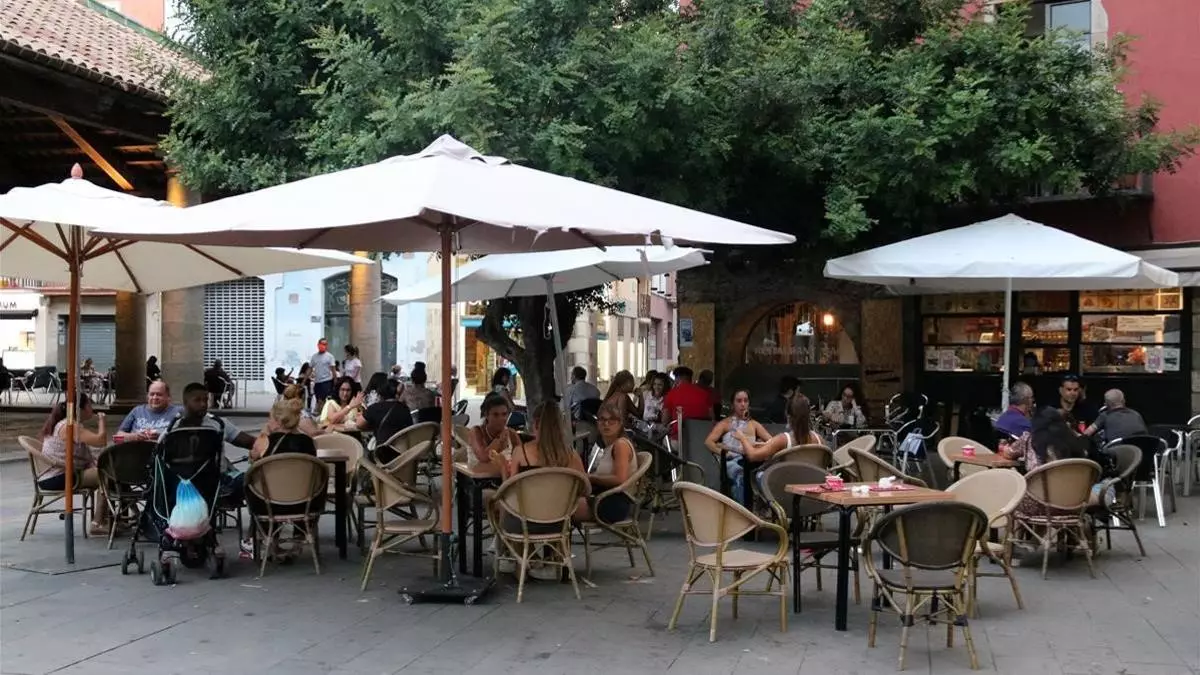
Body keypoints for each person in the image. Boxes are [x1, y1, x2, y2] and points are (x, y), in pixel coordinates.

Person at [488, 401, 587, 579]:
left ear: (534, 424)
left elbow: (509, 491)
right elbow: (585, 489)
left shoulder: (521, 452)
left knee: (506, 506)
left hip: (523, 524)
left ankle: (519, 560)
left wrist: (503, 467)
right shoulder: (571, 455)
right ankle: (551, 560)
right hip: (559, 523)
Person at [39, 393, 110, 535]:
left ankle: (113, 519)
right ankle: (97, 523)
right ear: (81, 408)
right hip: (57, 476)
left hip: (57, 473)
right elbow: (101, 441)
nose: (92, 408)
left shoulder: (68, 423)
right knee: (106, 474)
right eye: (90, 405)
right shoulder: (70, 425)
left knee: (110, 471)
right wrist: (102, 420)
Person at [704, 390, 772, 500]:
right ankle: (741, 508)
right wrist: (724, 453)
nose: (743, 404)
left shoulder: (754, 424)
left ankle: (765, 506)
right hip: (732, 461)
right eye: (739, 401)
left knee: (763, 476)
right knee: (740, 476)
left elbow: (771, 441)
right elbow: (709, 442)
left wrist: (761, 445)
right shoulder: (725, 423)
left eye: (745, 401)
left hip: (752, 461)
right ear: (733, 404)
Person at [579, 401, 636, 524]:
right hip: (604, 496)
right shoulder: (608, 447)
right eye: (602, 420)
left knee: (565, 507)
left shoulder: (620, 445)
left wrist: (591, 477)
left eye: (612, 420)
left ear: (620, 423)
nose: (606, 424)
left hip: (614, 502)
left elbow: (620, 479)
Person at [357, 379, 413, 464]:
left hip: (381, 455)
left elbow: (359, 424)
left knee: (364, 451)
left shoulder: (375, 408)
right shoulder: (404, 409)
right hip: (403, 454)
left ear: (380, 394)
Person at [251, 397, 318, 461]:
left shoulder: (267, 441)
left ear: (278, 422)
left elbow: (253, 459)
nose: (268, 422)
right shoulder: (308, 441)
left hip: (273, 469)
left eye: (270, 418)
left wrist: (263, 436)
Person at [469, 393, 523, 470]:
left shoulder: (511, 434)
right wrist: (499, 439)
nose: (500, 418)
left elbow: (522, 457)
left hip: (505, 476)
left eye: (504, 414)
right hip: (477, 476)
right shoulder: (476, 431)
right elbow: (484, 457)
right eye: (495, 415)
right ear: (486, 415)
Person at [117, 380, 183, 440]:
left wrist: (161, 436)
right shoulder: (137, 411)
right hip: (137, 447)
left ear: (168, 397)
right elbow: (117, 438)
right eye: (152, 394)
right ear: (147, 396)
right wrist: (135, 436)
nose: (155, 397)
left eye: (159, 395)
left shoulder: (179, 412)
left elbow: (185, 437)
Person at [309, 338, 339, 408]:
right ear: (318, 345)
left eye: (325, 344)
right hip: (317, 382)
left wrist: (335, 382)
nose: (323, 346)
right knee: (318, 400)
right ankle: (319, 413)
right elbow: (310, 368)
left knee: (325, 401)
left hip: (326, 382)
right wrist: (304, 381)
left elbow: (333, 370)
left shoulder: (330, 356)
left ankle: (325, 413)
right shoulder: (314, 356)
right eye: (322, 344)